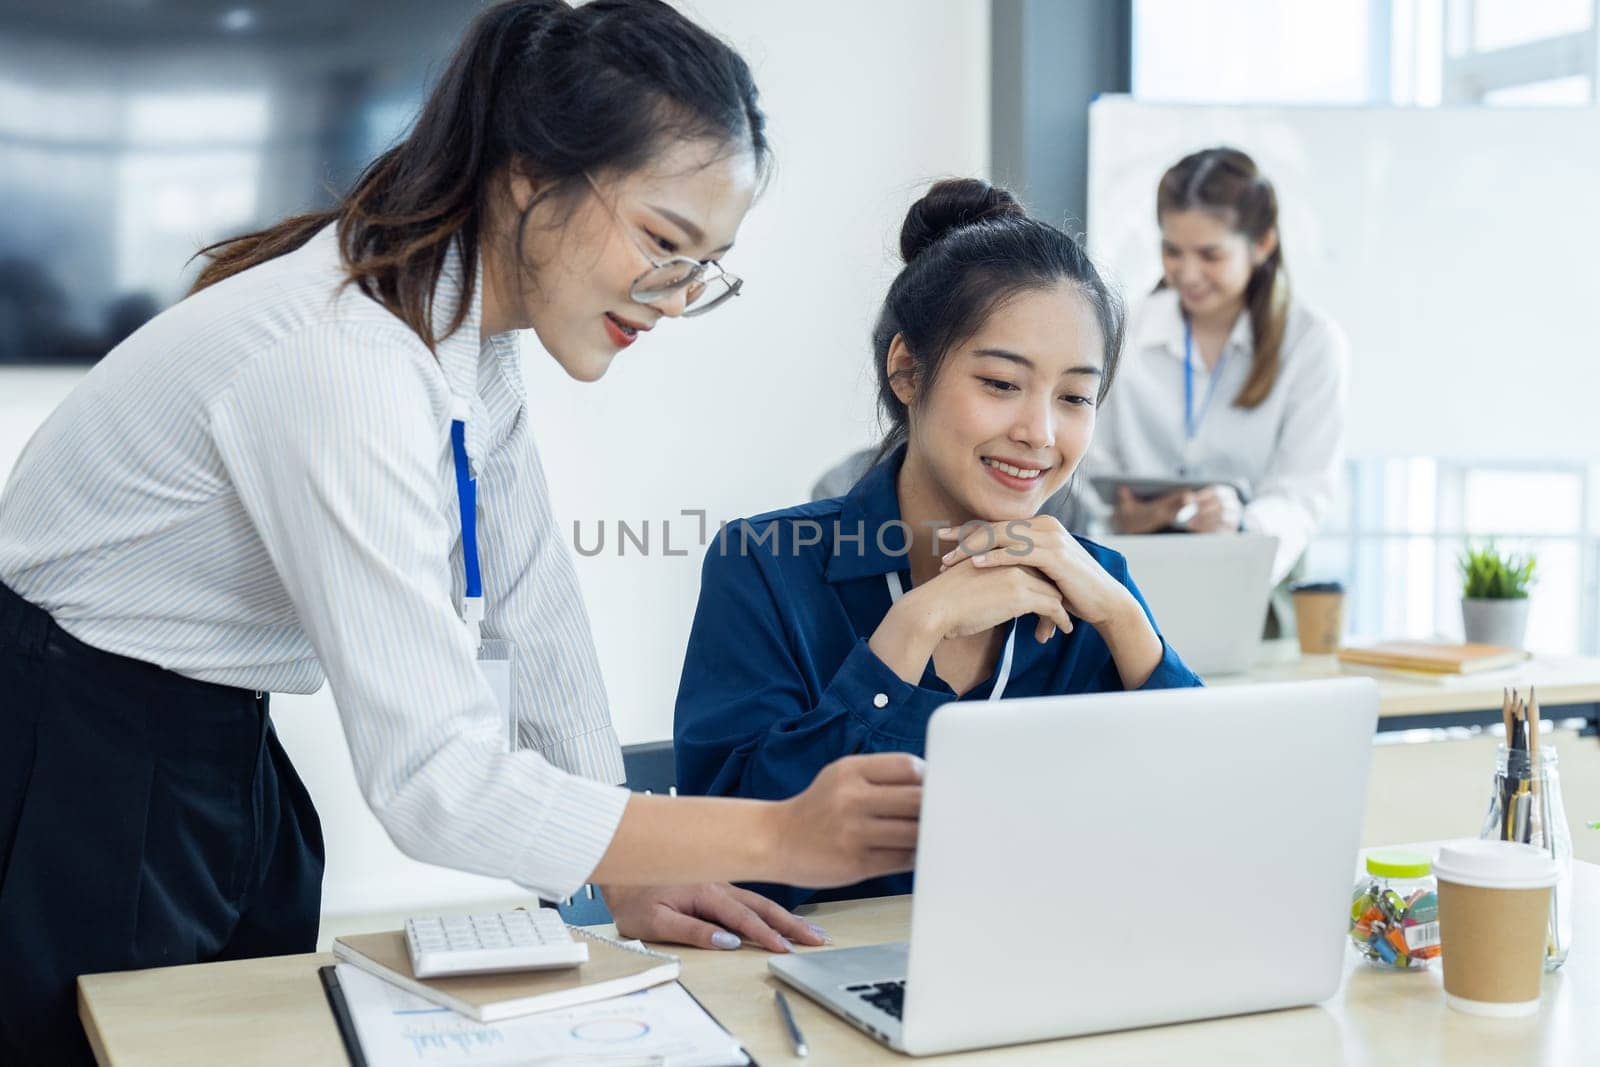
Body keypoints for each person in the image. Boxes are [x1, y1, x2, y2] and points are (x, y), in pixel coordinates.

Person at [0, 4, 922, 1062]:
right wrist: (778, 830)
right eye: (664, 241)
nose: (673, 297)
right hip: (81, 756)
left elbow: (537, 616)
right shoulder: (346, 356)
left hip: (211, 743)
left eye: (704, 264)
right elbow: (435, 779)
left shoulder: (466, 339)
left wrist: (624, 862)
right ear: (531, 172)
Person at [672, 179, 1202, 909]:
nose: (1040, 433)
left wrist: (1128, 624)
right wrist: (912, 629)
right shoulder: (764, 564)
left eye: (1075, 397)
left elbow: (1204, 833)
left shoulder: (1095, 588)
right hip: (807, 984)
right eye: (1001, 382)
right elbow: (730, 859)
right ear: (907, 369)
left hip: (1049, 983)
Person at [1089, 147, 1349, 605]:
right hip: (1128, 580)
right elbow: (1085, 474)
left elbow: (1304, 490)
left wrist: (1241, 522)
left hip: (1250, 581)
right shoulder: (1121, 332)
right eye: (1172, 251)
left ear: (1262, 244)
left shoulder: (1309, 344)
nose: (1186, 274)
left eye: (1210, 254)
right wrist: (1117, 519)